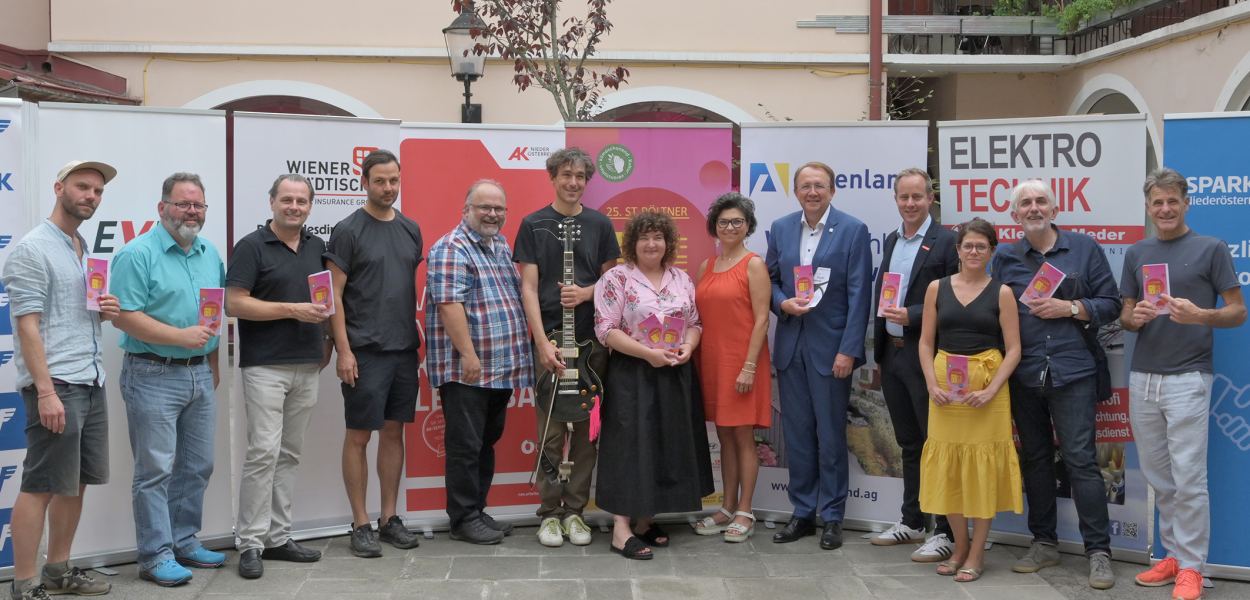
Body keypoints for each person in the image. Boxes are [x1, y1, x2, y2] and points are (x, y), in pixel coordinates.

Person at [1120, 168, 1246, 600]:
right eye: (1157, 202)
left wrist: (1202, 316)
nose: (1165, 209)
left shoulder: (1211, 248)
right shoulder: (1137, 253)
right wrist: (1130, 318)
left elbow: (1237, 311)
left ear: (1186, 202)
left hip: (1190, 376)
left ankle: (1193, 566)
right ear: (1149, 207)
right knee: (1161, 477)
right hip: (1143, 377)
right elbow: (1126, 311)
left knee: (1190, 477)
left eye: (1172, 201)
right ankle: (1172, 555)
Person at [990, 179, 1120, 590]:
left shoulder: (1084, 248)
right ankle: (1043, 542)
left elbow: (1112, 303)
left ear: (1054, 208)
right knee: (1035, 459)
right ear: (1014, 216)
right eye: (1024, 203)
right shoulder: (1005, 257)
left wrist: (1071, 306)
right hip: (1024, 372)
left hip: (1073, 371)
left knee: (1081, 460)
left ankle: (1098, 552)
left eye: (1040, 201)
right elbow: (989, 308)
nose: (1033, 208)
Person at [2, 161, 119, 600]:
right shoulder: (33, 249)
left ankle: (58, 571)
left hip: (90, 378)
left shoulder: (79, 244)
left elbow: (70, 313)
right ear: (59, 188)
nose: (90, 195)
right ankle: (25, 583)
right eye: (82, 187)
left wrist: (105, 309)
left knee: (76, 482)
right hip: (57, 385)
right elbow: (27, 326)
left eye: (97, 191)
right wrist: (46, 391)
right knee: (40, 485)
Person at [111, 172, 227, 586]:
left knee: (198, 465)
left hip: (198, 374)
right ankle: (154, 555)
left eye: (198, 205)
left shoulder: (210, 253)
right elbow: (124, 314)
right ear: (162, 208)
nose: (191, 211)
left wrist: (211, 364)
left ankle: (184, 540)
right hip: (151, 373)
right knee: (155, 470)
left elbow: (213, 316)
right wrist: (181, 337)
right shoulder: (136, 254)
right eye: (182, 204)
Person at [513, 147, 620, 548]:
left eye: (580, 176)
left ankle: (576, 513)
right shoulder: (533, 223)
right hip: (550, 343)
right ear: (553, 177)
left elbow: (615, 282)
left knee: (588, 433)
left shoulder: (599, 224)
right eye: (566, 175)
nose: (573, 182)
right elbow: (527, 286)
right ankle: (549, 514)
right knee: (551, 433)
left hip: (593, 345)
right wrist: (541, 344)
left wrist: (587, 290)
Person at [593, 211, 714, 560]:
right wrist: (647, 353)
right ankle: (620, 529)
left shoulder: (682, 279)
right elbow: (606, 330)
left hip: (674, 373)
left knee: (664, 444)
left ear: (668, 243)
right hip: (633, 373)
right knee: (629, 446)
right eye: (644, 237)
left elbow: (694, 323)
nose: (651, 243)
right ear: (632, 243)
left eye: (658, 237)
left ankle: (645, 521)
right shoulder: (616, 278)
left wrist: (689, 346)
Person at [227, 174, 330, 579]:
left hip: (307, 363)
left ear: (309, 206)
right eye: (286, 199)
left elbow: (323, 300)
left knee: (289, 454)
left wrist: (323, 337)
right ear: (271, 201)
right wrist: (293, 310)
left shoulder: (316, 245)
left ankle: (278, 537)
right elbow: (235, 304)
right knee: (263, 453)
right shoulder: (251, 246)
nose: (294, 206)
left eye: (301, 201)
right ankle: (250, 542)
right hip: (265, 366)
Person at [764, 161, 872, 550]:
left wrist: (848, 350)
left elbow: (861, 296)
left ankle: (832, 516)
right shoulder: (780, 228)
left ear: (832, 190)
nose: (813, 192)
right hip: (791, 347)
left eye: (820, 186)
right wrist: (782, 303)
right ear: (796, 191)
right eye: (806, 186)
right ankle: (802, 512)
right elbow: (771, 280)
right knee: (797, 436)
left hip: (831, 351)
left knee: (829, 436)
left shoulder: (854, 230)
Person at [324, 149, 424, 557]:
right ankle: (360, 522)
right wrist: (343, 351)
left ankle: (388, 518)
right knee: (358, 435)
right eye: (380, 181)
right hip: (363, 350)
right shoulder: (348, 230)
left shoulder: (411, 228)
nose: (388, 188)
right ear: (364, 182)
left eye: (394, 181)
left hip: (403, 350)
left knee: (394, 432)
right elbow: (334, 295)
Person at [426, 180, 533, 545]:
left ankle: (477, 509)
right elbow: (449, 305)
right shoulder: (451, 248)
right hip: (467, 369)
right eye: (484, 207)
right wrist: (468, 355)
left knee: (485, 441)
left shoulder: (499, 244)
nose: (492, 214)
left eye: (498, 209)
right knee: (465, 445)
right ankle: (462, 518)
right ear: (466, 209)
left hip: (499, 369)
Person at [918, 217, 1023, 582]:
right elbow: (926, 342)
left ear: (992, 251)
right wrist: (932, 383)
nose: (974, 251)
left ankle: (977, 551)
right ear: (958, 250)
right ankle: (959, 545)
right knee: (949, 470)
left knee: (981, 471)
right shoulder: (937, 288)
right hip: (946, 392)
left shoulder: (1003, 292)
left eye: (982, 246)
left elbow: (1014, 350)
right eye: (968, 245)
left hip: (987, 393)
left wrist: (991, 389)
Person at [870, 168, 960, 561]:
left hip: (925, 352)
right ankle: (912, 519)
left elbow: (959, 296)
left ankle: (945, 531)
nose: (910, 204)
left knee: (935, 443)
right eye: (903, 197)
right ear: (895, 200)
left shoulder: (947, 242)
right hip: (892, 353)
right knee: (909, 442)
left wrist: (915, 313)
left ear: (930, 199)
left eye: (917, 197)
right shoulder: (892, 240)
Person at [693, 192, 771, 543]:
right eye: (723, 222)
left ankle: (745, 510)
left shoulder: (753, 264)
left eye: (737, 221)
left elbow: (761, 320)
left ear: (748, 226)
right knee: (723, 434)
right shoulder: (705, 267)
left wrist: (750, 366)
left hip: (742, 363)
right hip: (711, 361)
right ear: (714, 227)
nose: (730, 227)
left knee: (742, 436)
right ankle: (725, 507)